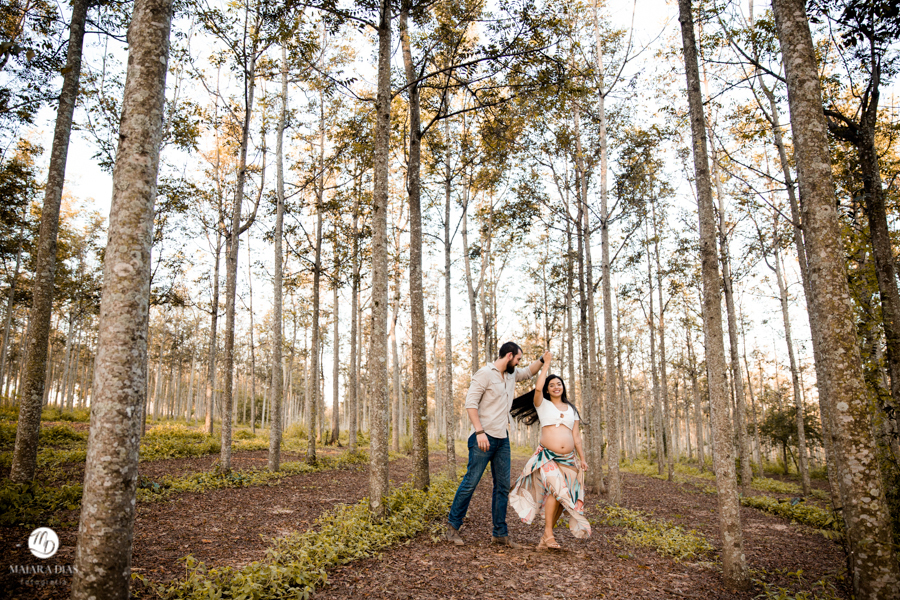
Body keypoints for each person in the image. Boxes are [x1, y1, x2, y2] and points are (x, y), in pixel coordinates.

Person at [445, 342, 550, 548]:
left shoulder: (510, 375)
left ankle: (500, 534)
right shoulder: (484, 374)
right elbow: (470, 404)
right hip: (482, 438)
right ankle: (452, 528)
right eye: (518, 358)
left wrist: (543, 360)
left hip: (502, 439)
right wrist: (479, 432)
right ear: (509, 355)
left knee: (502, 487)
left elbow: (528, 372)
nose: (518, 362)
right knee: (470, 483)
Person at [508, 353, 591, 550]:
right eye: (552, 384)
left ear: (563, 388)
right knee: (556, 490)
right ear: (547, 388)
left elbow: (576, 436)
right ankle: (550, 536)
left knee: (564, 499)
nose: (556, 387)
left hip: (569, 459)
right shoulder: (542, 404)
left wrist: (583, 458)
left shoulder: (572, 409)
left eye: (559, 384)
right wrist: (546, 365)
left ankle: (546, 537)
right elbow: (537, 387)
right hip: (547, 456)